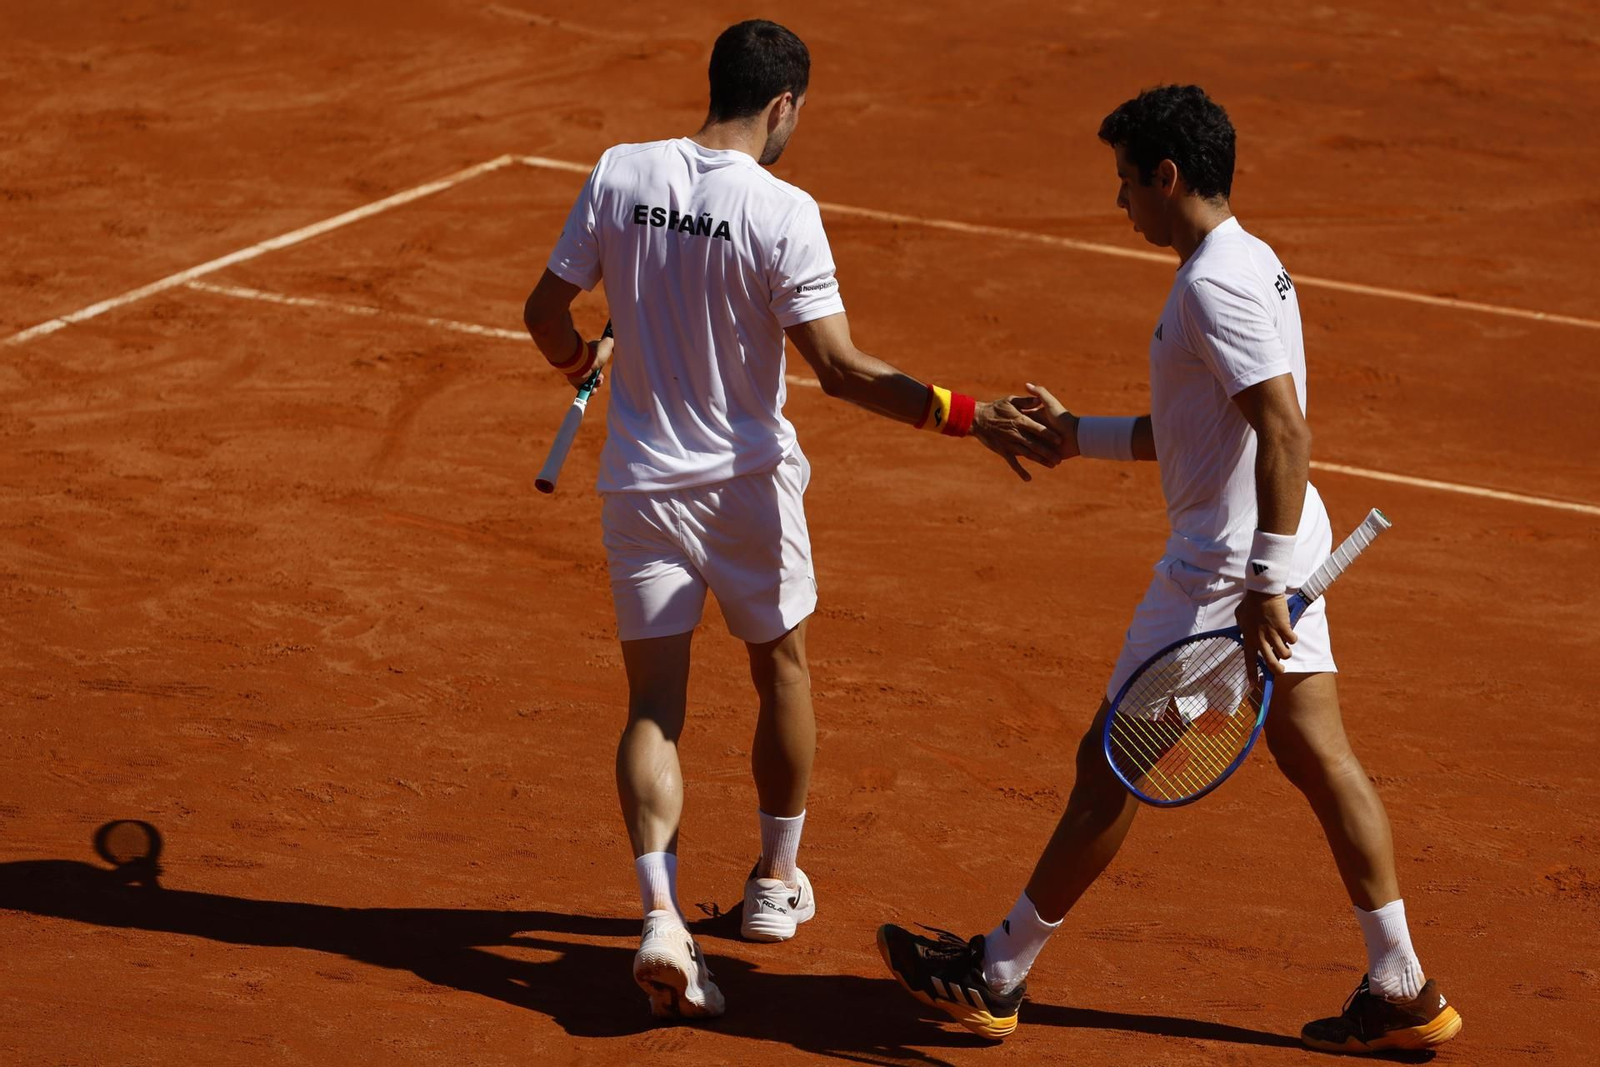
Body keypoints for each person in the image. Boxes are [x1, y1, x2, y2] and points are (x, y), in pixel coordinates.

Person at [876, 85, 1462, 1055]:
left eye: (1124, 183)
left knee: (1110, 762)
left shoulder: (1211, 285)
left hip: (1225, 570)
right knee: (1317, 753)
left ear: (1167, 175)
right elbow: (1203, 427)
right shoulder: (1250, 261)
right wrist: (1079, 437)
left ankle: (997, 973)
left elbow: (1284, 427)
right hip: (1276, 539)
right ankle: (1403, 983)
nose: (1119, 204)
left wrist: (1264, 578)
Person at [522, 19, 1059, 1021]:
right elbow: (845, 370)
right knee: (781, 668)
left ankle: (660, 916)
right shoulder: (783, 211)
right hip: (748, 493)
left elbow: (544, 313)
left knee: (652, 710)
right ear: (782, 107)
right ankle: (774, 884)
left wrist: (580, 361)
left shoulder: (619, 173)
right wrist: (968, 412)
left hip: (640, 486)